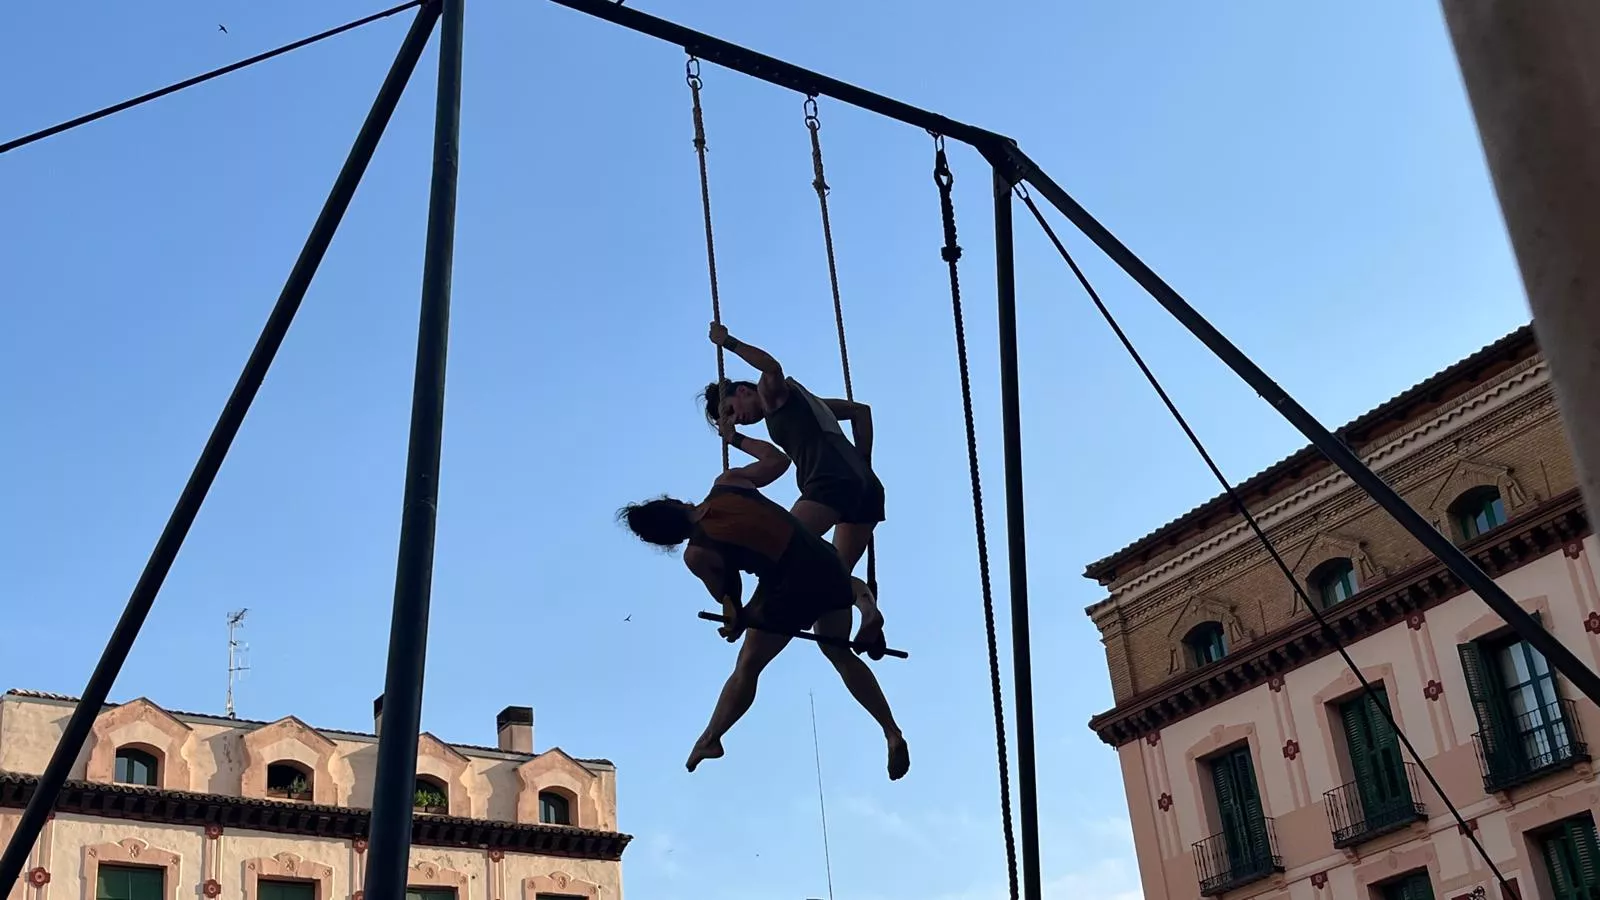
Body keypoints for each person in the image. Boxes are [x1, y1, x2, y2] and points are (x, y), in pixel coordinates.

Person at [618, 436, 910, 782]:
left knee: (748, 664)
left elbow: (730, 601)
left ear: (665, 540)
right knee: (838, 650)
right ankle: (890, 729)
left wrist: (736, 621)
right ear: (675, 503)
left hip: (791, 589)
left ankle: (711, 738)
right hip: (825, 561)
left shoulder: (697, 554)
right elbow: (778, 459)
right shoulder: (728, 482)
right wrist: (737, 438)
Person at [701, 322, 887, 657]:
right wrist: (863, 463)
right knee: (833, 571)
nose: (738, 418)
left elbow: (771, 367)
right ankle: (868, 610)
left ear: (742, 392)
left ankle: (751, 614)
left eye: (732, 411)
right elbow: (861, 412)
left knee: (783, 548)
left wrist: (728, 341)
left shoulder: (773, 396)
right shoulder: (807, 401)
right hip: (865, 489)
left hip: (828, 484)